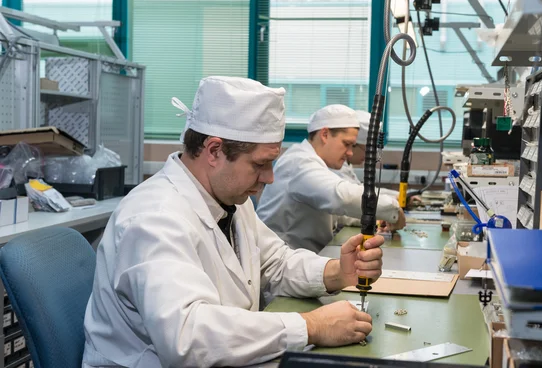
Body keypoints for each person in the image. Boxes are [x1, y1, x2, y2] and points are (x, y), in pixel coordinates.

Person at [82, 77, 386, 368]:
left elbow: (275, 262)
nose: (270, 177)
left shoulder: (229, 200)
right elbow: (186, 337)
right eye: (259, 164)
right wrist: (310, 326)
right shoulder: (154, 218)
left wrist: (338, 271)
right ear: (214, 150)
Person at [256, 104, 405, 253]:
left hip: (303, 258)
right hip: (284, 265)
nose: (350, 153)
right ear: (325, 135)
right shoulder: (299, 163)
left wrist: (375, 217)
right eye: (346, 144)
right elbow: (341, 198)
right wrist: (393, 210)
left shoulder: (317, 163)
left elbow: (335, 215)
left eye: (353, 146)